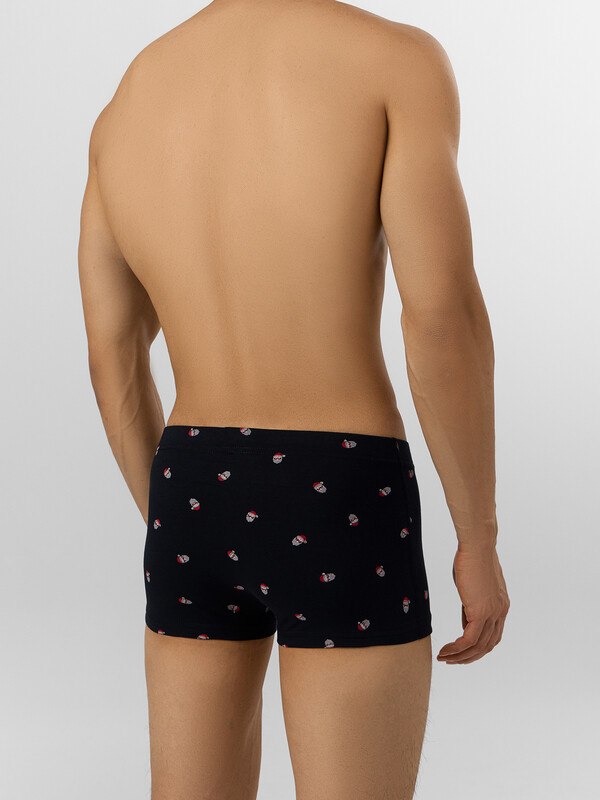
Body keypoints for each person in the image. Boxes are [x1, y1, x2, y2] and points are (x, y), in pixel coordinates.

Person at [77, 1, 510, 797]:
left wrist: (179, 521)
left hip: (190, 482)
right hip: (339, 483)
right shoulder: (395, 60)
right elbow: (442, 321)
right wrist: (477, 536)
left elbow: (113, 355)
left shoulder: (132, 96)